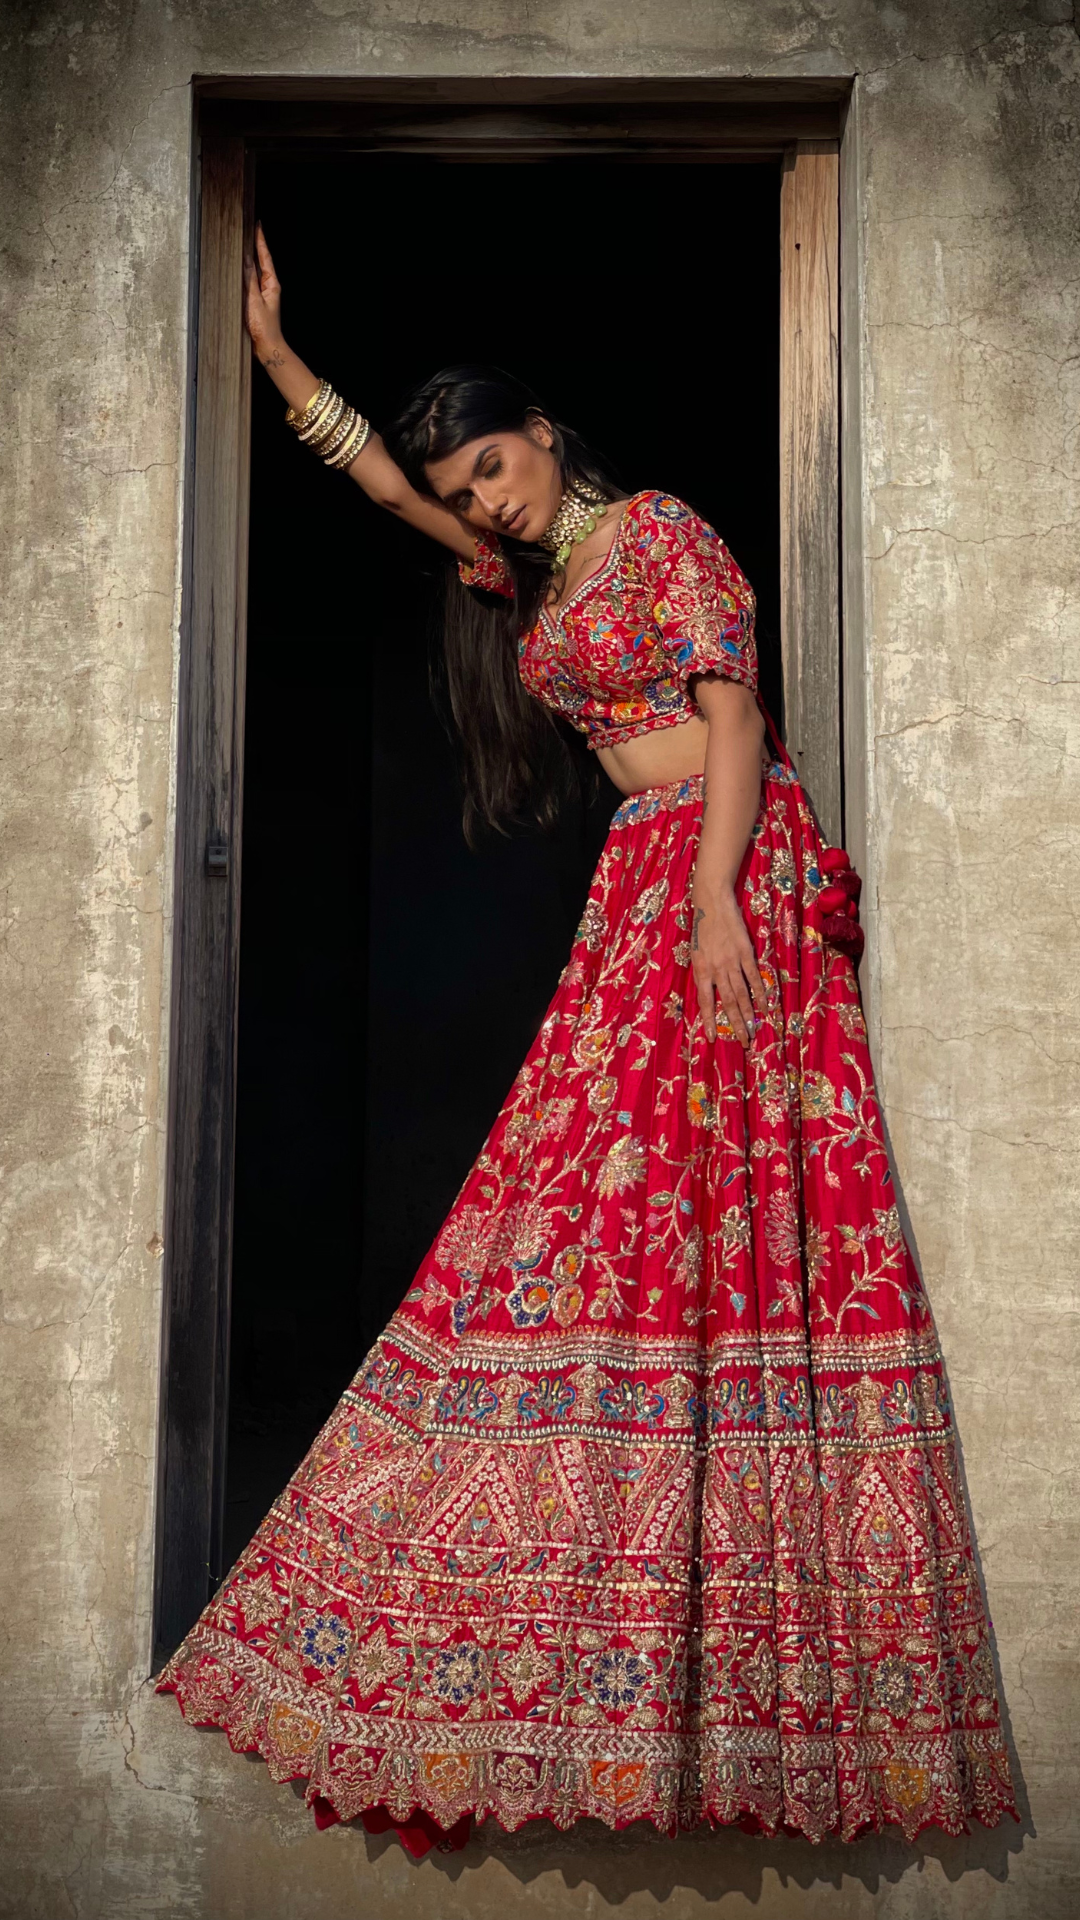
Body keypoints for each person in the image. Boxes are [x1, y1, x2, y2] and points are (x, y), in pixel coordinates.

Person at [158, 225, 1017, 1856]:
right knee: (585, 1215)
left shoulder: (663, 533)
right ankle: (594, 1588)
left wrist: (714, 903)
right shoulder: (535, 575)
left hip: (722, 868)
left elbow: (733, 716)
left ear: (544, 433)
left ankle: (744, 1631)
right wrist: (276, 361)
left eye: (492, 467)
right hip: (645, 880)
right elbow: (389, 497)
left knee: (716, 1206)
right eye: (467, 489)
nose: (481, 503)